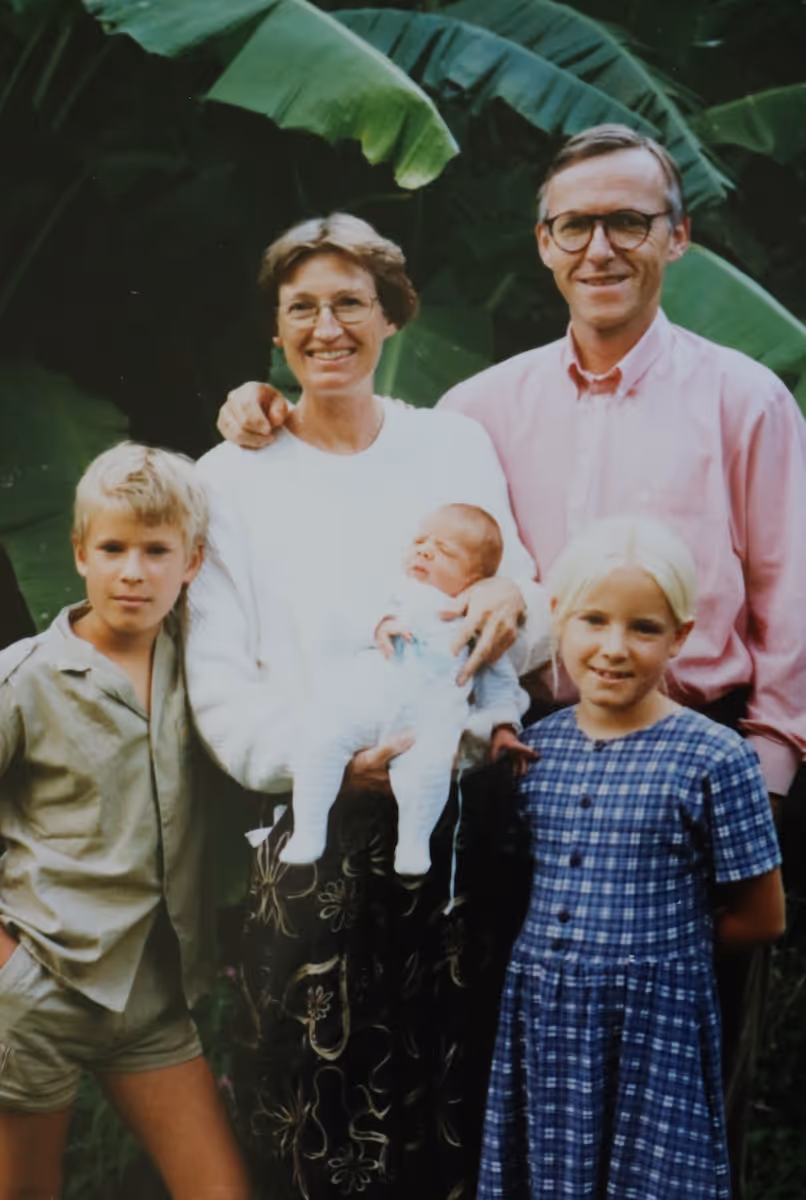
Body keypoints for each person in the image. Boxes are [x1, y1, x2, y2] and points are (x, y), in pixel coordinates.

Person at [216, 125, 806, 1195]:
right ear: (540, 243)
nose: (599, 247)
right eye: (573, 224)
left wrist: (761, 772)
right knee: (516, 1072)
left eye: (627, 221)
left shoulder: (742, 399)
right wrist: (259, 407)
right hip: (528, 774)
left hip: (689, 761)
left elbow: (789, 594)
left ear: (673, 238)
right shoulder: (479, 411)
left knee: (681, 1078)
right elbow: (411, 518)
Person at [184, 214, 550, 1200]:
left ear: (392, 316)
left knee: (456, 1093)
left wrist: (516, 601)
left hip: (459, 820)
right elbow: (216, 677)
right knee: (315, 1111)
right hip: (314, 828)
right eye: (300, 306)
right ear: (275, 328)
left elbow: (519, 602)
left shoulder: (451, 445)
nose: (325, 325)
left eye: (350, 301)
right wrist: (323, 766)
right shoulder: (231, 475)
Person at [478, 515, 785, 1200]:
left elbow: (762, 918)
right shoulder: (533, 751)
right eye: (594, 620)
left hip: (658, 1025)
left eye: (643, 628)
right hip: (543, 1016)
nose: (614, 648)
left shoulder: (716, 757)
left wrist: (657, 957)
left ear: (679, 636)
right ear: (558, 617)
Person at [0, 444, 251, 1200]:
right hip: (40, 986)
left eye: (155, 551)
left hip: (152, 1001)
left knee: (220, 1191)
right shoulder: (25, 679)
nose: (133, 572)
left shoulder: (205, 667)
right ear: (80, 553)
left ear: (193, 561)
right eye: (112, 549)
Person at [284, 503, 534, 874]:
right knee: (319, 745)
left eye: (444, 550)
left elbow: (500, 686)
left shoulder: (473, 623)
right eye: (420, 541)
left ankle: (414, 844)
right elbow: (340, 622)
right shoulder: (390, 591)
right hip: (362, 707)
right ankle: (307, 831)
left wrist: (503, 726)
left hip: (425, 722)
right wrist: (378, 623)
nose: (425, 550)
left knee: (430, 768)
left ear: (476, 579)